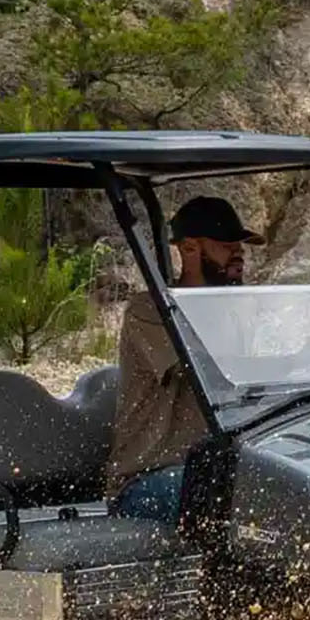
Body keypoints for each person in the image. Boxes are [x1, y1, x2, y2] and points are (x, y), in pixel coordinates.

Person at [107, 194, 261, 521]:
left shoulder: (232, 315)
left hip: (211, 468)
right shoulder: (149, 310)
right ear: (190, 249)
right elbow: (205, 370)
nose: (239, 253)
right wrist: (291, 362)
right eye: (226, 244)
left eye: (240, 245)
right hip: (147, 480)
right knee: (239, 492)